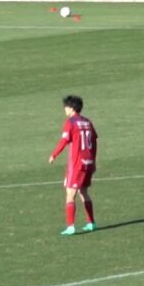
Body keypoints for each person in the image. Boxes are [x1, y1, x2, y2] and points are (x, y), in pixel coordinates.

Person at [48, 95, 97, 236]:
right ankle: (91, 223)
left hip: (77, 164)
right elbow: (94, 141)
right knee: (83, 192)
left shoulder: (70, 122)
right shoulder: (87, 122)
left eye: (66, 107)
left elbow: (64, 141)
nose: (64, 109)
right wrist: (94, 161)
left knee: (70, 193)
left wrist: (54, 154)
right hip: (88, 162)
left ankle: (70, 227)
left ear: (71, 108)